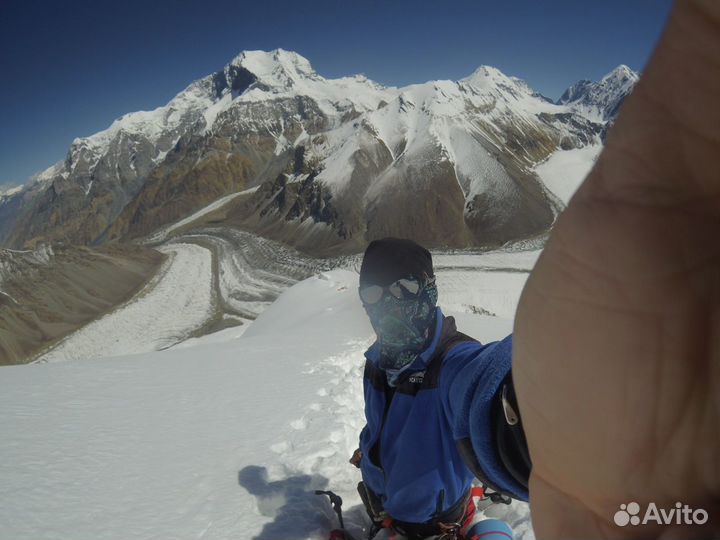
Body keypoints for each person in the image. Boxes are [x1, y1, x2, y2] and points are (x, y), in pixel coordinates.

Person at [352, 237, 528, 540]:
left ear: (428, 289)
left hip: (439, 527)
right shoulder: (376, 363)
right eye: (373, 291)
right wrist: (371, 455)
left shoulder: (451, 363)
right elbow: (383, 426)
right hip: (387, 511)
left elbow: (485, 385)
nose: (387, 304)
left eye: (403, 288)